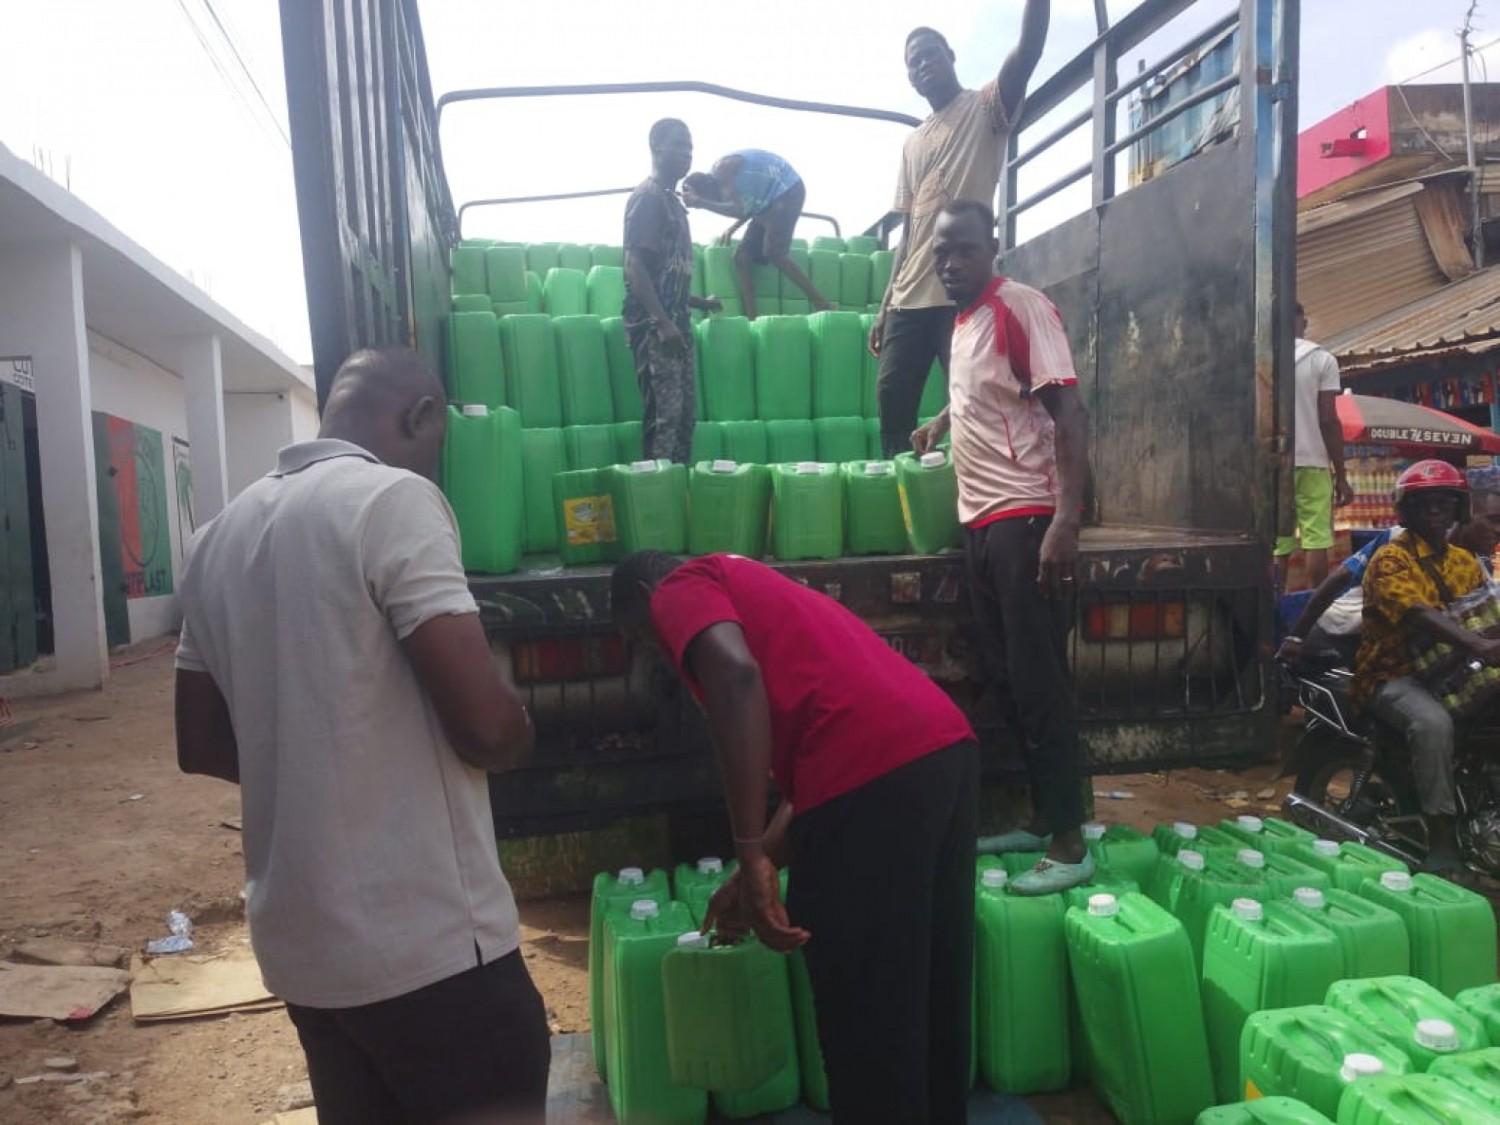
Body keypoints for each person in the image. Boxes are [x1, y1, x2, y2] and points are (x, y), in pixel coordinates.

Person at [174, 348, 548, 1123]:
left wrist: (317, 764)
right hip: (428, 946)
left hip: (305, 954)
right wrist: (518, 729)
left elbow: (200, 742)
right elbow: (483, 726)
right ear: (420, 418)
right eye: (435, 443)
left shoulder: (217, 536)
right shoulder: (390, 502)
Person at [610, 550, 978, 1125]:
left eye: (644, 639)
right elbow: (814, 785)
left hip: (876, 775)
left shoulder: (678, 586)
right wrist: (750, 872)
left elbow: (735, 677)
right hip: (942, 754)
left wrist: (748, 846)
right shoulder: (762, 594)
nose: (663, 652)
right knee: (928, 1004)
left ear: (641, 595)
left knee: (867, 1025)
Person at [912, 199, 1092, 894]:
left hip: (1025, 519)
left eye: (962, 250)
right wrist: (938, 422)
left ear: (992, 245)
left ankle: (1072, 841)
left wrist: (1065, 523)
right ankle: (1042, 814)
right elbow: (987, 393)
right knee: (1009, 677)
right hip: (980, 523)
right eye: (940, 254)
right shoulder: (963, 323)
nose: (950, 264)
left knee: (1041, 681)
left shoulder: (1022, 307)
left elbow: (1068, 410)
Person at [870, 5, 1051, 458]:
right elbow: (909, 229)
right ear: (908, 77)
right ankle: (904, 508)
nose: (923, 65)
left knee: (972, 404)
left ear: (951, 55)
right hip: (908, 299)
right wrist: (884, 305)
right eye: (913, 62)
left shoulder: (986, 107)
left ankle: (980, 510)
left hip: (961, 294)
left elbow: (1027, 51)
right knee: (892, 404)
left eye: (931, 54)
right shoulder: (912, 142)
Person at [1352, 460, 1500, 874]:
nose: (1434, 512)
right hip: (1394, 675)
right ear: (1405, 512)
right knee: (1433, 726)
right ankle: (1440, 836)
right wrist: (1476, 643)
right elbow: (1418, 614)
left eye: (1443, 503)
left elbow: (1487, 611)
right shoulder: (1390, 560)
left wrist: (1485, 638)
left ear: (1458, 509)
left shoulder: (1465, 562)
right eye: (1423, 505)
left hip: (1456, 672)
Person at [1278, 478, 1500, 668]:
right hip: (1343, 634)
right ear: (1466, 516)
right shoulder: (1398, 541)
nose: (1498, 530)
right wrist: (1296, 637)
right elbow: (1338, 579)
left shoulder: (1476, 567)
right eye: (1493, 520)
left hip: (1406, 644)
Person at [623, 118, 723, 463]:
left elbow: (665, 274)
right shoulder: (648, 198)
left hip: (676, 325)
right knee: (664, 420)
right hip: (655, 330)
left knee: (683, 419)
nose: (686, 153)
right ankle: (654, 500)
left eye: (690, 147)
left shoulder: (673, 203)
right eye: (678, 145)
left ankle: (676, 492)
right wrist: (662, 323)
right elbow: (634, 268)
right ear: (655, 147)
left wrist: (699, 303)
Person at [681, 151, 832, 319]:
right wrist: (733, 228)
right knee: (742, 257)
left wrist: (700, 202)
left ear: (708, 187)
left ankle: (821, 303)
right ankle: (752, 318)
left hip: (787, 189)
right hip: (766, 202)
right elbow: (747, 203)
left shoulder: (722, 171)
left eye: (707, 197)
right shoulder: (722, 182)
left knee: (774, 252)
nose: (715, 201)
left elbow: (739, 209)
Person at [1274, 303, 1354, 588]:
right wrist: (1341, 475)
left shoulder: (1263, 357)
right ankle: (1314, 611)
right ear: (1304, 324)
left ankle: (1272, 609)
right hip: (1313, 462)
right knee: (1316, 539)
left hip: (1273, 465)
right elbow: (1329, 420)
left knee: (1278, 544)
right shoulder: (1322, 360)